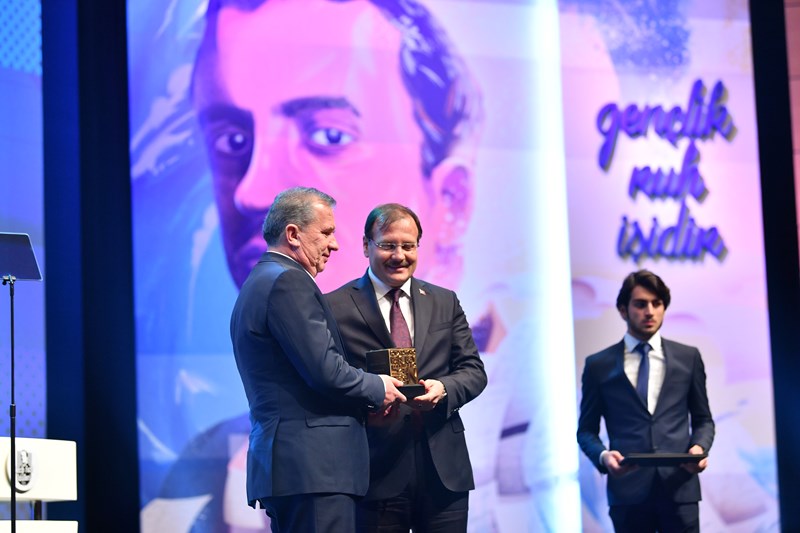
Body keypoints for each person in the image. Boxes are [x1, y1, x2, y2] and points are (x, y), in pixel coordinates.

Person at [229, 186, 406, 532]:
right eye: (326, 232)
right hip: (313, 470)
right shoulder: (289, 282)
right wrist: (378, 387)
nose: (334, 244)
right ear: (293, 234)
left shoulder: (262, 280)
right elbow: (326, 371)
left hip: (295, 469)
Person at [326, 203, 487, 532]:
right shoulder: (335, 306)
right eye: (388, 245)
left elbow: (473, 370)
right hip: (374, 470)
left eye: (408, 246)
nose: (399, 255)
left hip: (444, 472)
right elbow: (329, 379)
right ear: (366, 246)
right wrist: (369, 398)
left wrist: (444, 388)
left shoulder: (444, 300)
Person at [576, 269, 715, 532]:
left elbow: (703, 420)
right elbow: (586, 431)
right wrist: (604, 457)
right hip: (627, 493)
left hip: (680, 489)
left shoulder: (689, 357)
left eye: (657, 303)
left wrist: (699, 448)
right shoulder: (598, 365)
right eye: (640, 304)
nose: (650, 311)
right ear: (623, 310)